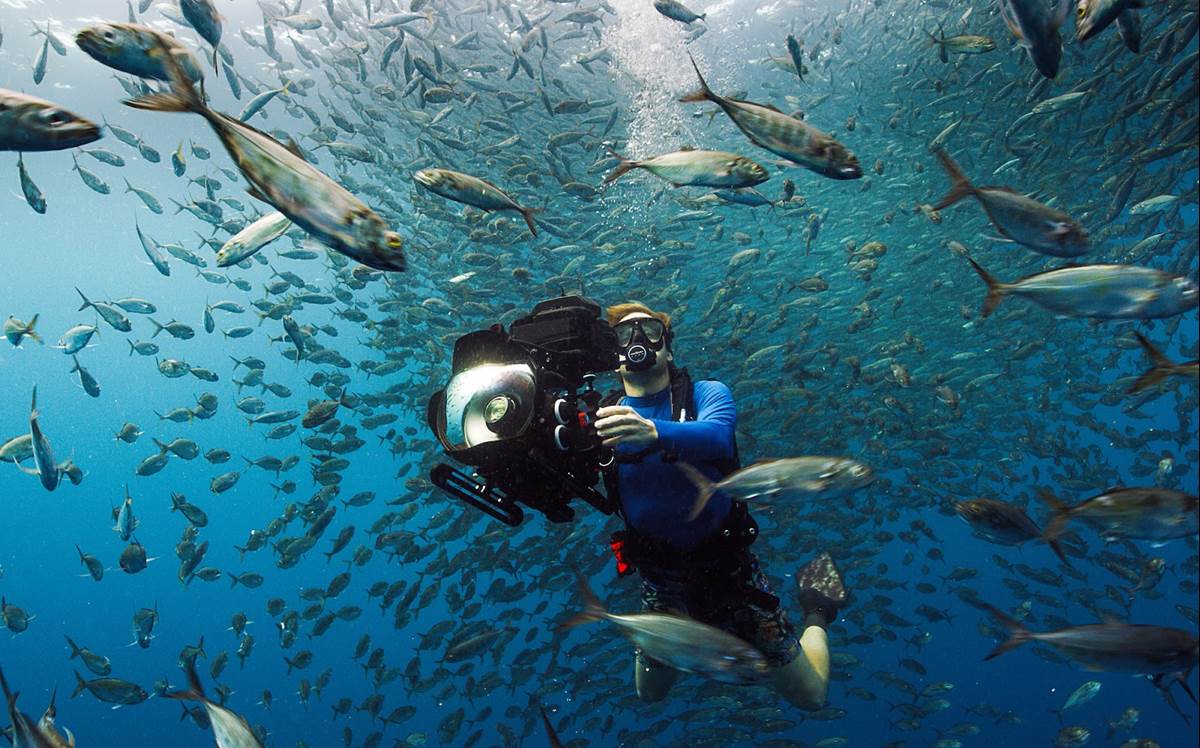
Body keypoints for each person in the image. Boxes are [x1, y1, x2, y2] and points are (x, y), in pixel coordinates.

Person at [592, 302, 847, 710]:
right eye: (624, 334)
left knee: (811, 696)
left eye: (651, 331)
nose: (638, 340)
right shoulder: (600, 417)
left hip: (729, 570)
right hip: (660, 577)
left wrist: (653, 431)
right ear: (612, 352)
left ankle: (817, 611)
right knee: (650, 692)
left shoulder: (706, 394)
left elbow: (717, 437)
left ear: (669, 348)